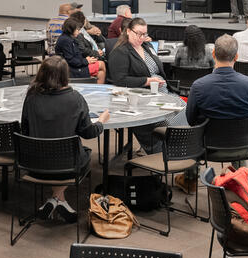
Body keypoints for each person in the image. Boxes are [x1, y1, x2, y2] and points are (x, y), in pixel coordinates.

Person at [21, 56, 111, 222]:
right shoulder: (75, 99)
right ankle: (57, 199)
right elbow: (88, 133)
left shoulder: (31, 97)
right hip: (67, 164)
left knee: (61, 155)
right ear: (65, 75)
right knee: (86, 154)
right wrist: (101, 122)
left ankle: (56, 200)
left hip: (34, 162)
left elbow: (24, 130)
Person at [185, 35, 248, 158]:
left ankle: (193, 176)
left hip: (207, 146)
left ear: (213, 54)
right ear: (236, 57)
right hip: (242, 146)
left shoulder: (199, 85)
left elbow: (190, 119)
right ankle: (239, 174)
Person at [106, 17, 165, 151]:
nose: (141, 37)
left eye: (144, 34)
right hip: (143, 97)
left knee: (184, 115)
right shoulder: (120, 52)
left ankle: (183, 152)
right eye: (138, 33)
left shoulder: (147, 46)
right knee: (170, 123)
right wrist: (148, 81)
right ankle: (167, 153)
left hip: (161, 94)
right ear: (128, 31)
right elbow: (120, 80)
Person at [55, 14, 104, 82]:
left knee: (100, 68)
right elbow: (71, 60)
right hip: (71, 70)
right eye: (77, 30)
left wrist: (85, 59)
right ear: (71, 30)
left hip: (75, 65)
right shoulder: (66, 41)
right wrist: (86, 61)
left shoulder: (67, 38)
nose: (78, 31)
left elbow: (75, 54)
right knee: (101, 65)